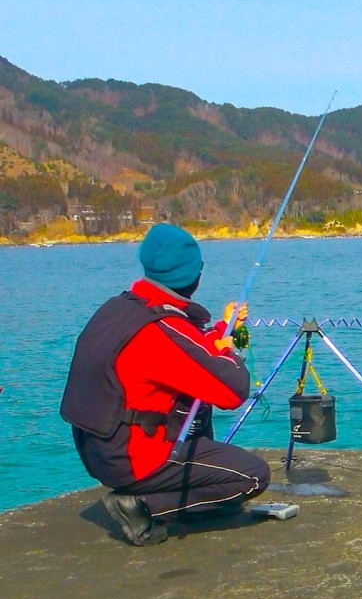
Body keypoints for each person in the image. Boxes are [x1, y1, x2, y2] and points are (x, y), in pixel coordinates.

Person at [60, 223, 270, 545]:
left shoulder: (121, 309)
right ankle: (143, 506)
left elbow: (187, 354)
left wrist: (220, 330)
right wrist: (228, 350)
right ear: (194, 277)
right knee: (252, 476)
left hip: (101, 450)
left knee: (195, 393)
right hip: (135, 459)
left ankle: (179, 500)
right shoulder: (160, 330)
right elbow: (233, 389)